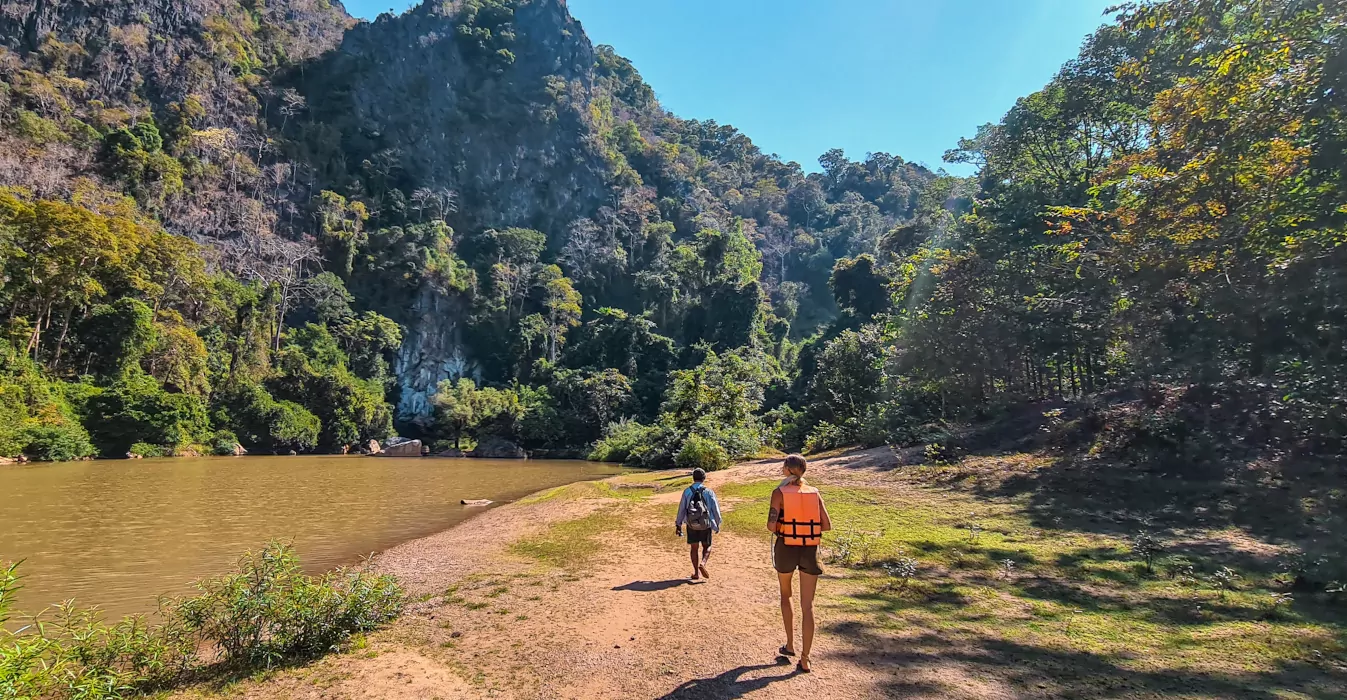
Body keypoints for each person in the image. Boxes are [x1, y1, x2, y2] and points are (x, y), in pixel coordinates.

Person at [767, 454, 831, 673]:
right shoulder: (814, 492)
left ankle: (790, 644)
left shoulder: (779, 493)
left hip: (786, 547)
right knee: (808, 605)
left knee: (786, 595)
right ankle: (805, 657)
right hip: (810, 549)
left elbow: (771, 525)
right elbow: (827, 524)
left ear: (786, 469)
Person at [674, 467, 721, 580]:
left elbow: (682, 509)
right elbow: (715, 509)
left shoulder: (687, 491)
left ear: (693, 478)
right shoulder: (709, 492)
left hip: (691, 524)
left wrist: (678, 524)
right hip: (706, 523)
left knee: (694, 548)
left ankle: (696, 573)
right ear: (704, 478)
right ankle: (703, 563)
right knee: (707, 546)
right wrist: (717, 523)